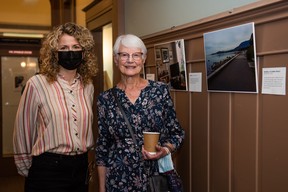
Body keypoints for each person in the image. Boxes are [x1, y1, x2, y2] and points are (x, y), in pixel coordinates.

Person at [13, 22, 98, 192]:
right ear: (54, 53)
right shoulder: (36, 84)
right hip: (48, 170)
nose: (70, 52)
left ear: (84, 52)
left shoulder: (87, 85)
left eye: (76, 46)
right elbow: (23, 128)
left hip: (80, 167)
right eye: (64, 48)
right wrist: (25, 165)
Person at [95, 34, 185, 192]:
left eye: (136, 55)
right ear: (116, 59)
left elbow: (177, 134)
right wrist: (102, 189)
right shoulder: (105, 99)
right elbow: (103, 148)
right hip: (118, 182)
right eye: (124, 55)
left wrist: (164, 150)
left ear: (143, 60)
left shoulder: (160, 91)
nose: (130, 60)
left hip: (153, 179)